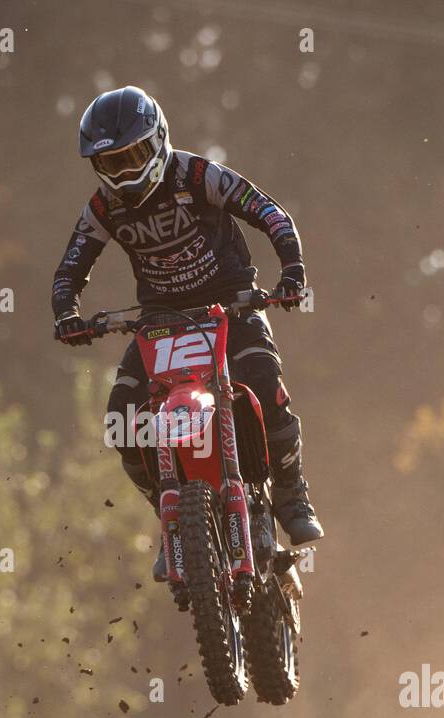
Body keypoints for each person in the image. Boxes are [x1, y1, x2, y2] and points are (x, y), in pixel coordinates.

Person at [50, 86, 322, 579]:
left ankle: (290, 494)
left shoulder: (198, 175)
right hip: (160, 319)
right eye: (110, 164)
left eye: (133, 156)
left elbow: (270, 213)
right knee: (122, 420)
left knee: (264, 382)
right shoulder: (103, 208)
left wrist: (293, 272)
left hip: (232, 305)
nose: (125, 173)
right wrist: (66, 313)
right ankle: (171, 515)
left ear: (158, 141)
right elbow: (71, 265)